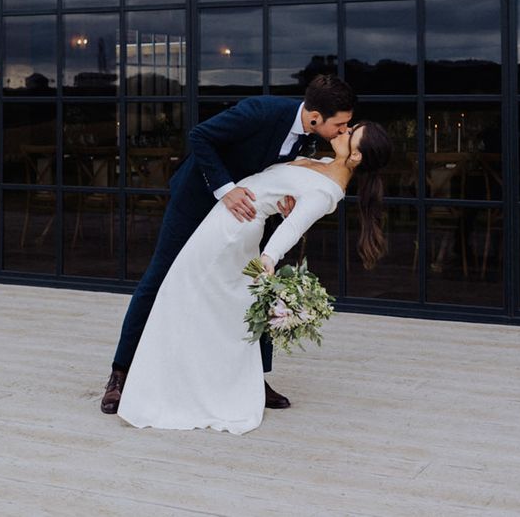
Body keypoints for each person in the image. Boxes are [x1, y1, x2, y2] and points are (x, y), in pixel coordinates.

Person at [101, 75, 357, 414]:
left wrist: (284, 199)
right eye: (340, 124)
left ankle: (253, 378)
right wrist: (226, 189)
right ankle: (120, 374)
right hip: (196, 202)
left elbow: (273, 173)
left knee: (256, 287)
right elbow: (200, 136)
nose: (343, 132)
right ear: (314, 117)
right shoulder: (262, 111)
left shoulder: (309, 139)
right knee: (159, 278)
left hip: (247, 218)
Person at [117, 121, 392, 434]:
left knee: (182, 294)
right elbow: (285, 192)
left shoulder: (327, 192)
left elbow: (293, 227)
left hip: (234, 230)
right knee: (201, 303)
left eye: (348, 134)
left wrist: (268, 259)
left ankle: (177, 390)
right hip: (233, 219)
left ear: (356, 158)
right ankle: (186, 380)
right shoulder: (327, 164)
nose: (341, 132)